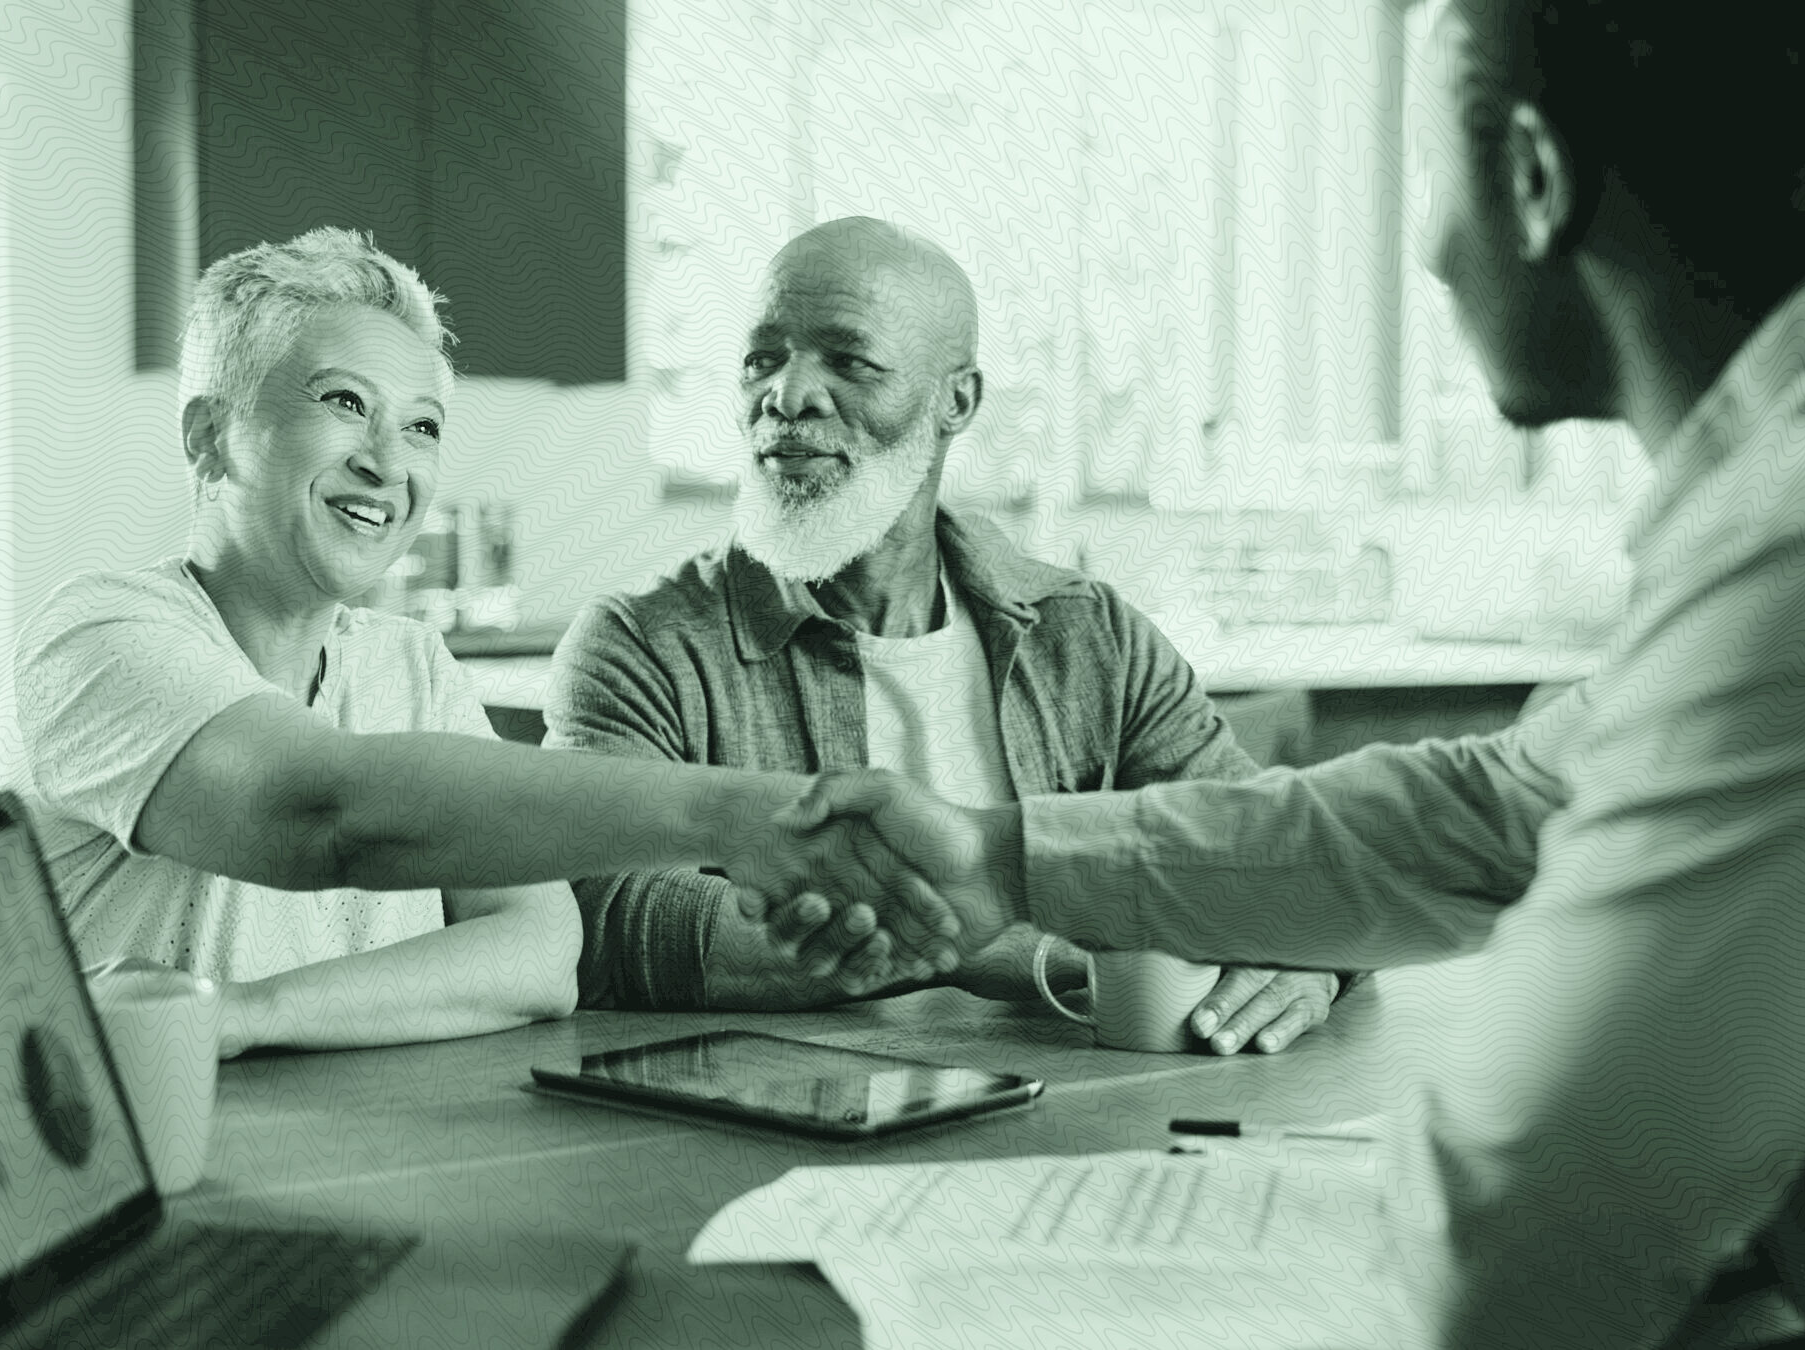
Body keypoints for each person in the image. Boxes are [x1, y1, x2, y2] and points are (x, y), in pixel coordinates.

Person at [746, 3, 1805, 1347]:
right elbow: (1489, 807)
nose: (1425, 250)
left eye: (1420, 175)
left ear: (1531, 180)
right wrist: (1005, 853)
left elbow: (1508, 1261)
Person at [13, 227, 923, 1060]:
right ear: (211, 437)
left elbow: (540, 948)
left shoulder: (406, 663)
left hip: (369, 1146)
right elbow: (321, 813)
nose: (388, 462)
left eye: (421, 427)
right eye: (343, 402)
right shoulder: (99, 635)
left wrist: (248, 1016)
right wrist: (736, 814)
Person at [544, 217, 1345, 1051]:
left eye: (848, 360)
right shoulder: (639, 645)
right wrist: (986, 940)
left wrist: (1312, 956)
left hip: (1083, 1117)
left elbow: (1282, 858)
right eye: (762, 358)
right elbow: (607, 914)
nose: (786, 394)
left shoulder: (1092, 638)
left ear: (955, 401)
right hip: (775, 1127)